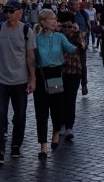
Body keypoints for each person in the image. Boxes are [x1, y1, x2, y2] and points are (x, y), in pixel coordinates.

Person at [0, 0, 36, 165]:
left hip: (20, 81)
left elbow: (30, 57)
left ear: (19, 12)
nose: (7, 14)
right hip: (0, 80)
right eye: (6, 11)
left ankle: (16, 145)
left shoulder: (27, 31)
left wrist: (32, 79)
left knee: (19, 115)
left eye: (11, 11)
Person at [31, 9, 78, 159]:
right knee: (41, 112)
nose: (54, 22)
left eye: (55, 19)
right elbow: (31, 60)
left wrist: (79, 46)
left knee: (57, 109)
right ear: (43, 22)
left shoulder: (59, 37)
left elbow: (71, 49)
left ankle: (56, 132)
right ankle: (43, 146)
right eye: (51, 19)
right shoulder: (35, 39)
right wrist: (31, 78)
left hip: (56, 75)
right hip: (41, 75)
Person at [57, 11, 86, 141]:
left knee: (70, 99)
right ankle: (59, 124)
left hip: (74, 73)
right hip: (56, 73)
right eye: (64, 26)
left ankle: (69, 126)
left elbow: (83, 45)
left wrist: (80, 39)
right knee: (57, 99)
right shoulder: (55, 36)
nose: (67, 29)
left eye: (69, 26)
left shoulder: (77, 36)